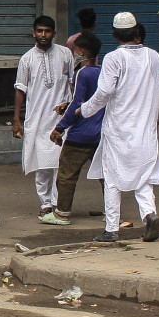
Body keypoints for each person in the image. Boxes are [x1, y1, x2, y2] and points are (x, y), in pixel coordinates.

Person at [77, 12, 159, 243]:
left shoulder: (113, 58)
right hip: (145, 130)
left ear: (114, 34)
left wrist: (85, 109)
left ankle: (112, 228)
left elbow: (105, 92)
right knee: (144, 177)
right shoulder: (154, 57)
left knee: (112, 177)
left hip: (118, 129)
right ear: (137, 32)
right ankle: (149, 215)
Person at [14, 14, 76, 219]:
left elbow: (72, 82)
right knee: (41, 165)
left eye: (47, 31)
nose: (43, 35)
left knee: (60, 163)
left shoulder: (65, 54)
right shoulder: (27, 59)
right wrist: (17, 120)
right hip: (37, 118)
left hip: (61, 119)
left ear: (54, 33)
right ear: (33, 33)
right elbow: (20, 89)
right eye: (40, 31)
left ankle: (58, 203)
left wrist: (72, 106)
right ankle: (46, 203)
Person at [46, 30, 104, 225]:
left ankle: (62, 212)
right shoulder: (104, 72)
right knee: (106, 174)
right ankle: (114, 211)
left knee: (66, 175)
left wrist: (60, 128)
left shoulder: (82, 73)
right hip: (102, 133)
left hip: (81, 133)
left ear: (80, 50)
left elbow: (78, 103)